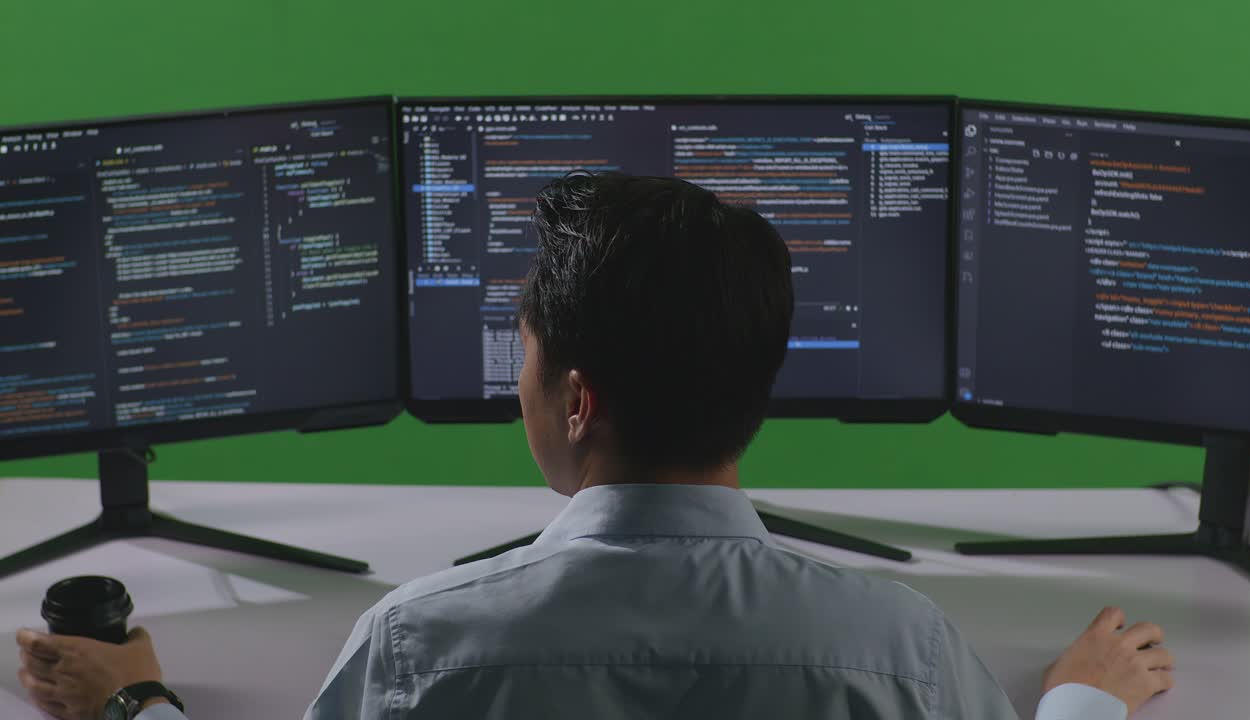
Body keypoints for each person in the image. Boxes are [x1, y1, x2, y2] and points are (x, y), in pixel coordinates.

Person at [16, 172, 1174, 720]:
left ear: (576, 401)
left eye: (521, 354)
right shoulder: (902, 653)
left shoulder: (420, 646)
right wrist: (1079, 701)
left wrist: (137, 702)